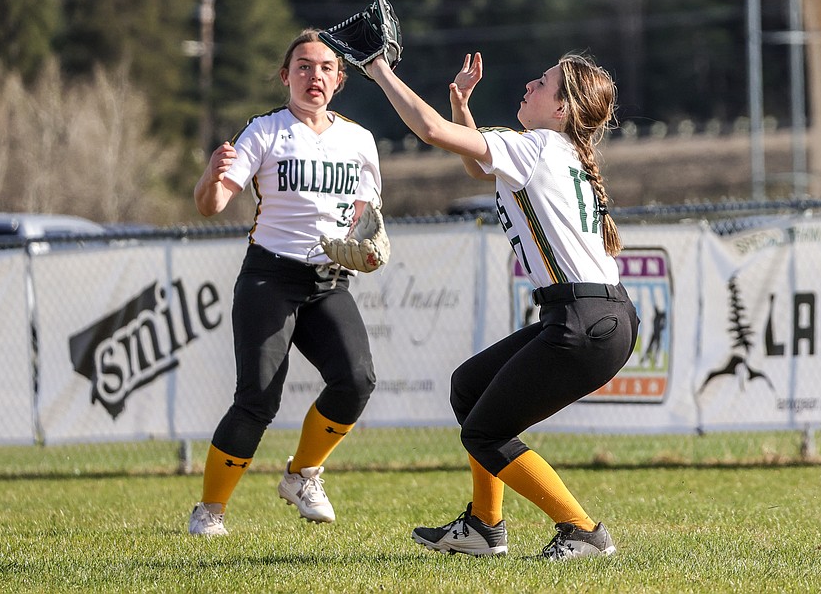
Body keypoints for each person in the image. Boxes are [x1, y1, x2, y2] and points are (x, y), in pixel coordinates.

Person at [364, 49, 639, 561]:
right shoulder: (558, 150)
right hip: (596, 315)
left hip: (586, 319)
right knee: (469, 389)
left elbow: (428, 131)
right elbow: (475, 167)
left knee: (486, 431)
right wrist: (462, 106)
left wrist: (379, 69)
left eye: (543, 82)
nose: (530, 84)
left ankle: (582, 530)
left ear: (561, 110)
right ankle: (484, 527)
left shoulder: (537, 148)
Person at [187, 29, 381, 537]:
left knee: (357, 379)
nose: (313, 75)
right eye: (302, 66)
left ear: (339, 80)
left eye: (324, 68)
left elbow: (364, 221)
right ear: (285, 76)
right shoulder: (266, 131)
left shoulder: (359, 141)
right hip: (269, 277)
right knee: (258, 398)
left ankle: (302, 474)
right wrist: (209, 176)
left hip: (327, 281)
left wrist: (367, 244)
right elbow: (212, 205)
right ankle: (209, 511)